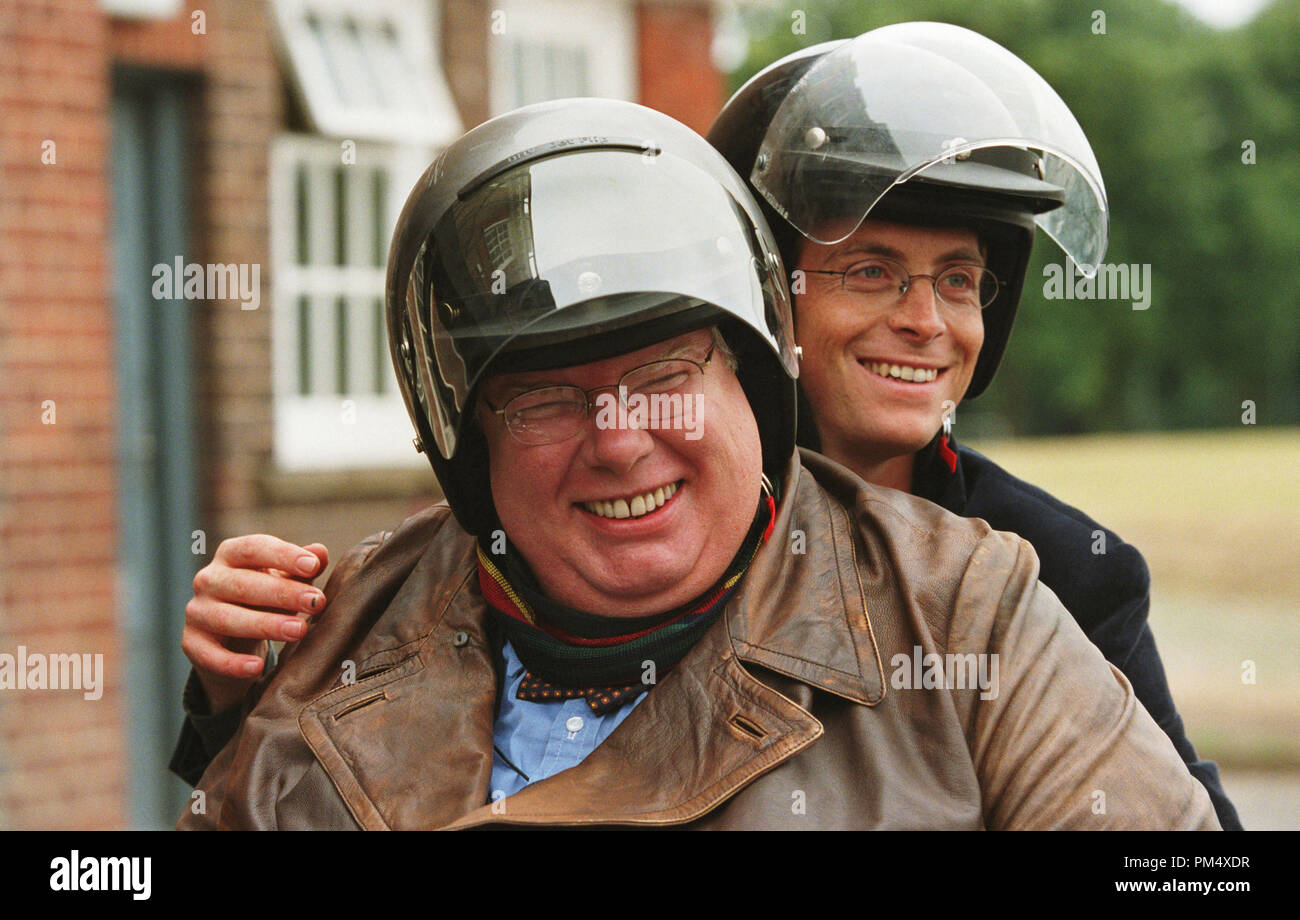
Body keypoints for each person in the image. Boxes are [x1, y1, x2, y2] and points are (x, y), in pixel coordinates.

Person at [175, 97, 1218, 830]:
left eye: (666, 371)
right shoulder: (342, 633)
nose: (620, 436)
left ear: (753, 379)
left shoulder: (982, 601)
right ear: (471, 446)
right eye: (545, 397)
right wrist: (231, 701)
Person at [704, 22, 1240, 828]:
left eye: (958, 279)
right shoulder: (673, 541)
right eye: (872, 271)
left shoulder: (1064, 572)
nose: (926, 320)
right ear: (771, 298)